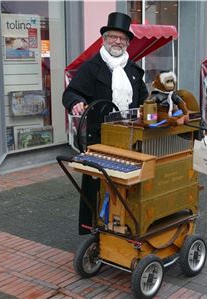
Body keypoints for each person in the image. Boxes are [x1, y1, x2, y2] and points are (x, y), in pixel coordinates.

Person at [62, 12, 148, 235]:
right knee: (96, 184)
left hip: (129, 139)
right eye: (113, 37)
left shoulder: (134, 70)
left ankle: (124, 225)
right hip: (99, 139)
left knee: (125, 184)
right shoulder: (92, 67)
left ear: (127, 43)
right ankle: (92, 228)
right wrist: (77, 103)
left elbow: (145, 101)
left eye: (122, 38)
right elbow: (71, 92)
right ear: (104, 40)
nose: (117, 42)